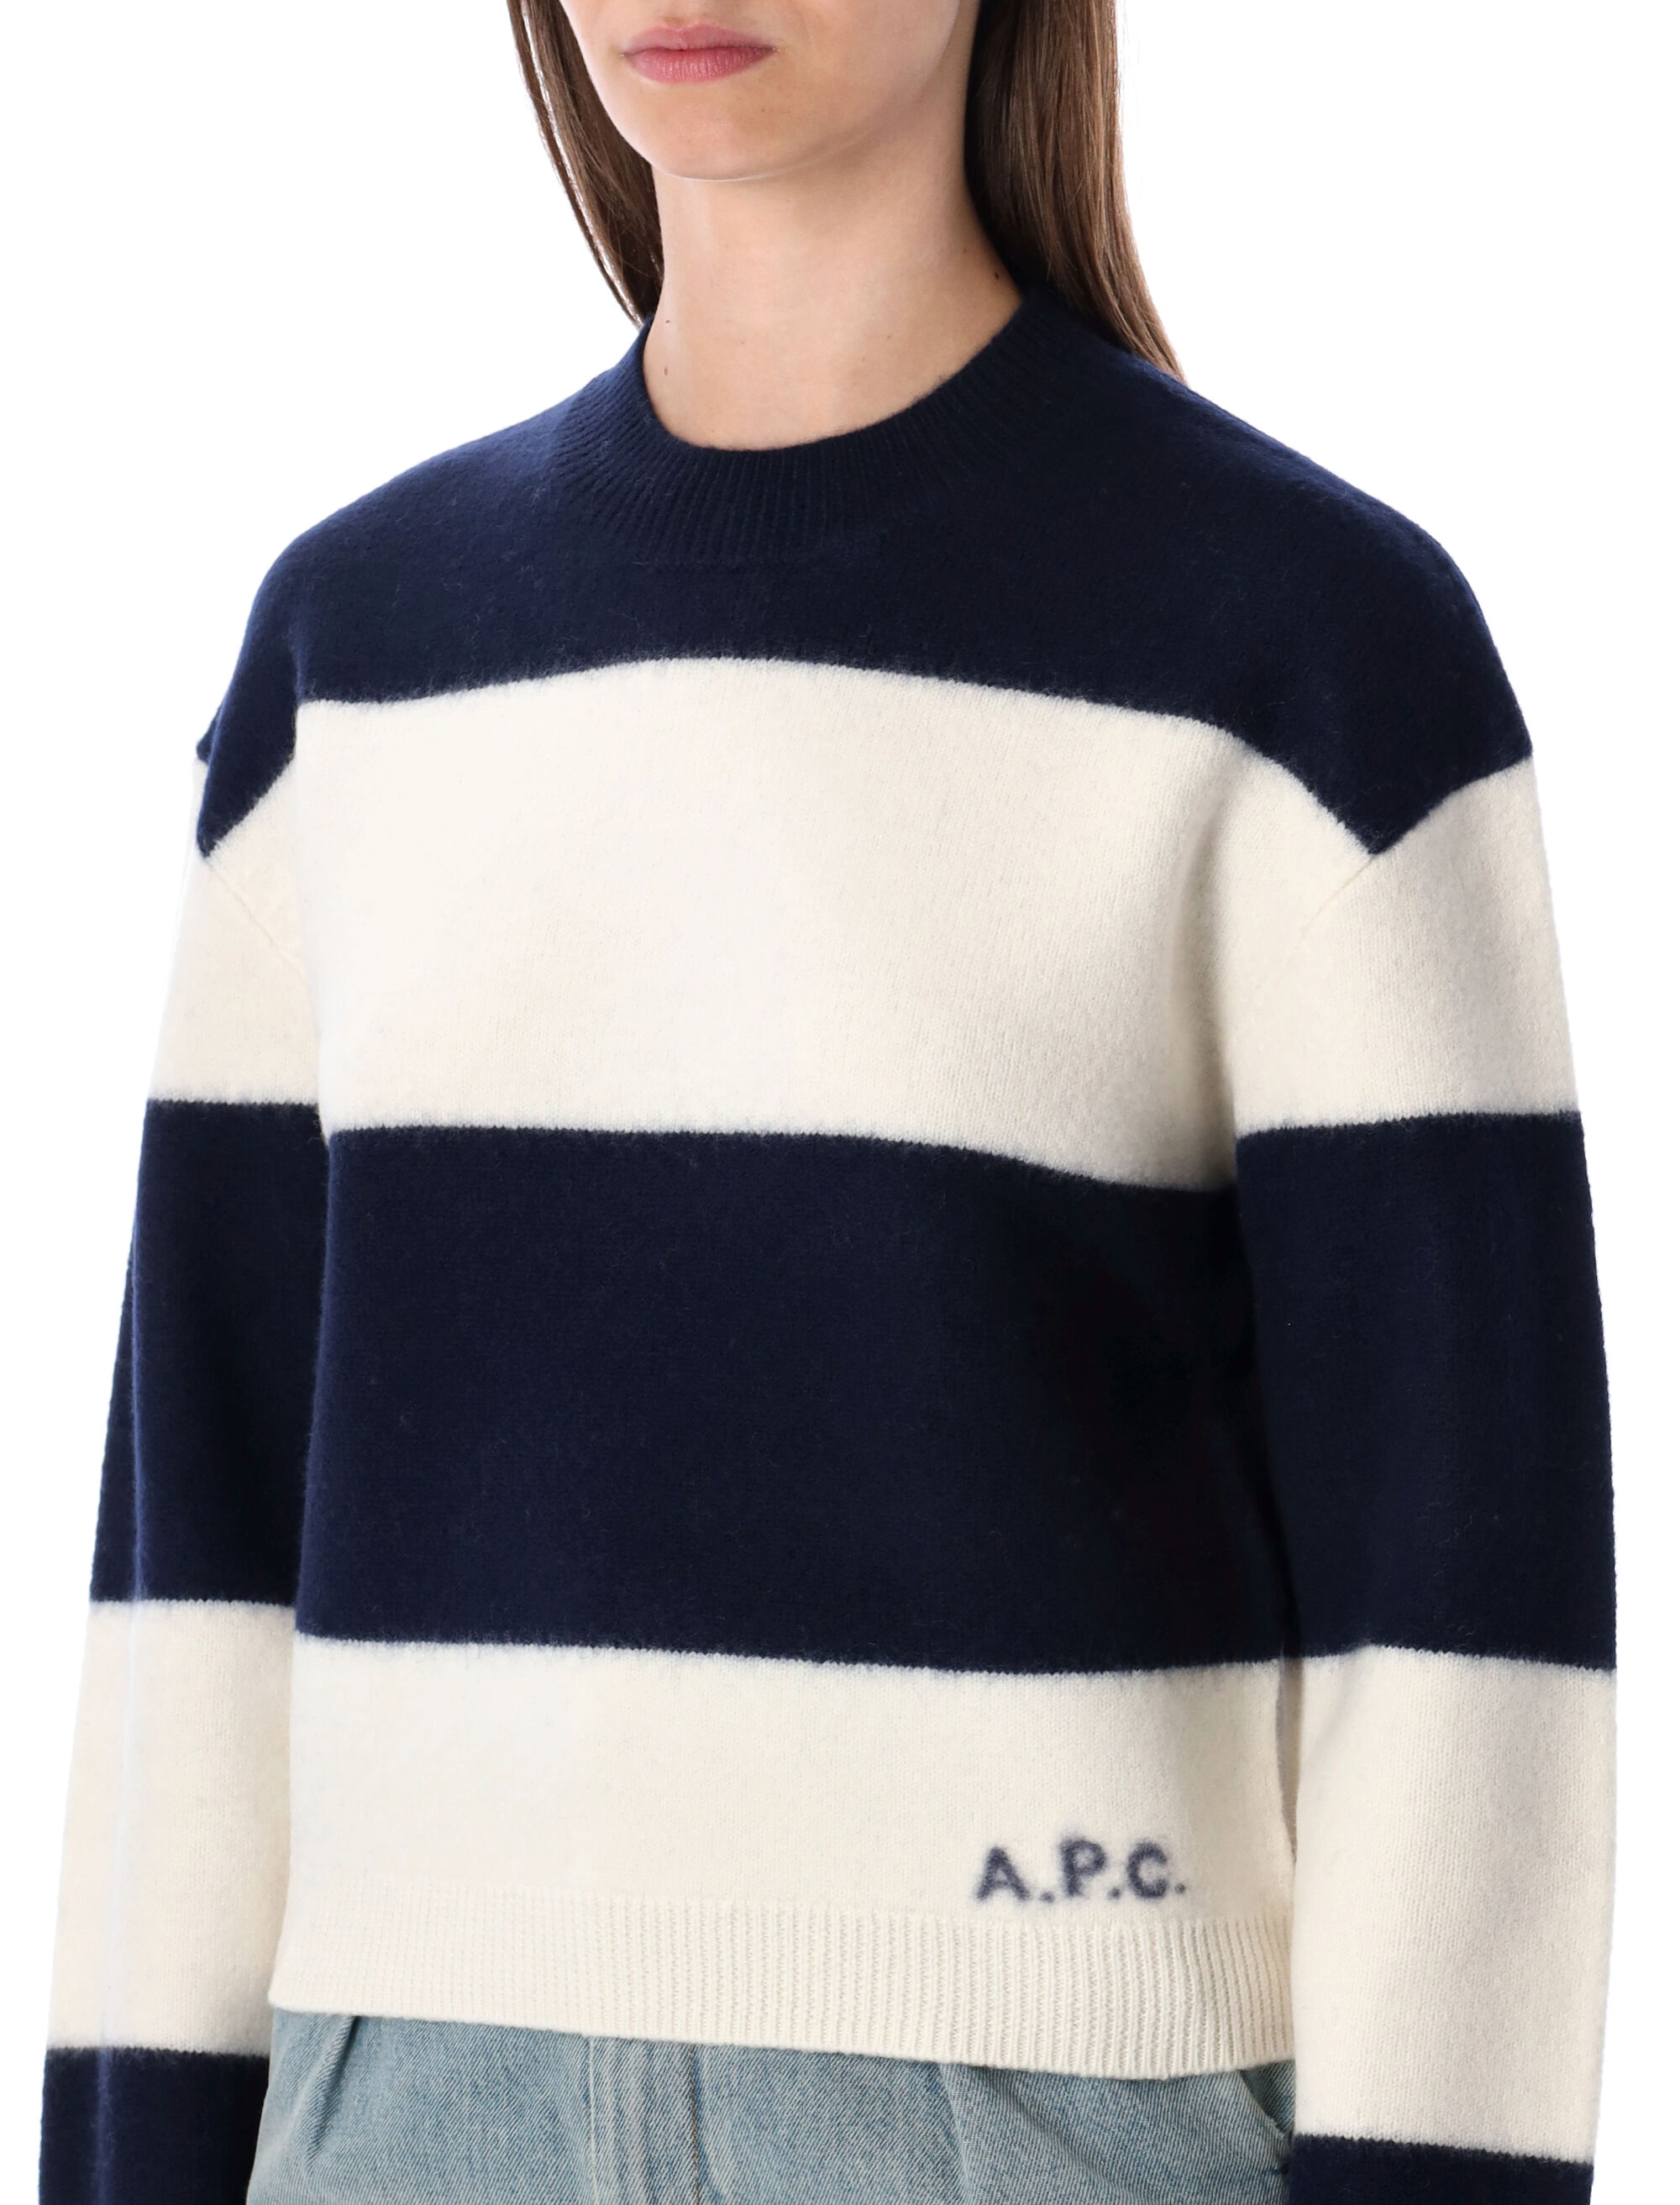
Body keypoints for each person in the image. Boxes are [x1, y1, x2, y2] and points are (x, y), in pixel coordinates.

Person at [38, 3, 1615, 2201]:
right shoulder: (356, 659)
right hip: (401, 2121)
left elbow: (1464, 1644)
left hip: (1046, 2102)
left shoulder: (1307, 656)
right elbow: (191, 1580)